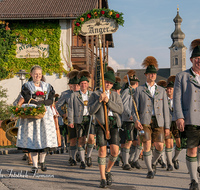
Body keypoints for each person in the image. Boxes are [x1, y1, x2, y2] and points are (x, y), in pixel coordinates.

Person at [16, 65, 58, 173]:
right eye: (35, 74)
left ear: (41, 75)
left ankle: (42, 161)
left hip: (45, 114)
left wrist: (41, 103)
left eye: (39, 74)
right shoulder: (26, 86)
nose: (37, 76)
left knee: (45, 138)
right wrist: (38, 103)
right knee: (33, 140)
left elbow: (50, 100)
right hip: (32, 114)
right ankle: (34, 166)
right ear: (31, 75)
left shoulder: (48, 86)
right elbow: (27, 98)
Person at [133, 56, 170, 179]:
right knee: (147, 145)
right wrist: (136, 120)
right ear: (146, 75)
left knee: (160, 146)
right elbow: (134, 108)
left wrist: (167, 127)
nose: (152, 76)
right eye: (150, 74)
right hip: (145, 121)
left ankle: (153, 163)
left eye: (154, 74)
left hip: (159, 121)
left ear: (156, 75)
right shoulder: (139, 90)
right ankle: (149, 170)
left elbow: (166, 110)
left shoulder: (162, 90)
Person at [88, 66, 123, 188]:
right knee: (102, 151)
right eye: (106, 82)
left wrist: (108, 101)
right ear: (103, 82)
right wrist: (99, 100)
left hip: (113, 123)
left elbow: (120, 109)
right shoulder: (95, 94)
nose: (108, 84)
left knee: (115, 151)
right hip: (101, 124)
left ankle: (108, 170)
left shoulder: (115, 95)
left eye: (110, 83)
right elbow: (91, 111)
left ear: (113, 85)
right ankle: (102, 177)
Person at [173, 39, 200, 190]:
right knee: (192, 149)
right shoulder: (182, 76)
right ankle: (194, 180)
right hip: (190, 118)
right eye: (197, 59)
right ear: (191, 60)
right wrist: (179, 116)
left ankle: (197, 168)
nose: (199, 62)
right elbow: (176, 98)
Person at [68, 70, 95, 169]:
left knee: (91, 138)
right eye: (82, 84)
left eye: (85, 83)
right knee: (81, 140)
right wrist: (71, 121)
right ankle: (83, 161)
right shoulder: (74, 95)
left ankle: (88, 156)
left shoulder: (92, 94)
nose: (83, 85)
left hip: (90, 118)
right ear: (79, 85)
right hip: (79, 119)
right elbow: (70, 108)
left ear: (87, 84)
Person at [56, 70, 80, 166]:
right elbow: (58, 106)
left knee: (81, 138)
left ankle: (80, 154)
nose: (75, 87)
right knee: (72, 139)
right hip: (69, 119)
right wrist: (63, 114)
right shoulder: (65, 94)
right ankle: (71, 157)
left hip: (80, 119)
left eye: (77, 85)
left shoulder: (82, 93)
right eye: (73, 85)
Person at [120, 70, 142, 170]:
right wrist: (130, 115)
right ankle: (125, 162)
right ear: (136, 83)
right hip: (129, 120)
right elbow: (124, 105)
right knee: (128, 141)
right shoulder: (126, 92)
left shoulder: (138, 92)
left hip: (138, 120)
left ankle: (133, 159)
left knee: (138, 141)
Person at [165, 76, 181, 171]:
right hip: (168, 123)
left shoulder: (177, 99)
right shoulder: (164, 99)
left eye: (171, 88)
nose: (169, 90)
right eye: (168, 88)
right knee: (169, 143)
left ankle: (175, 158)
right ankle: (169, 164)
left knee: (179, 143)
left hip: (175, 122)